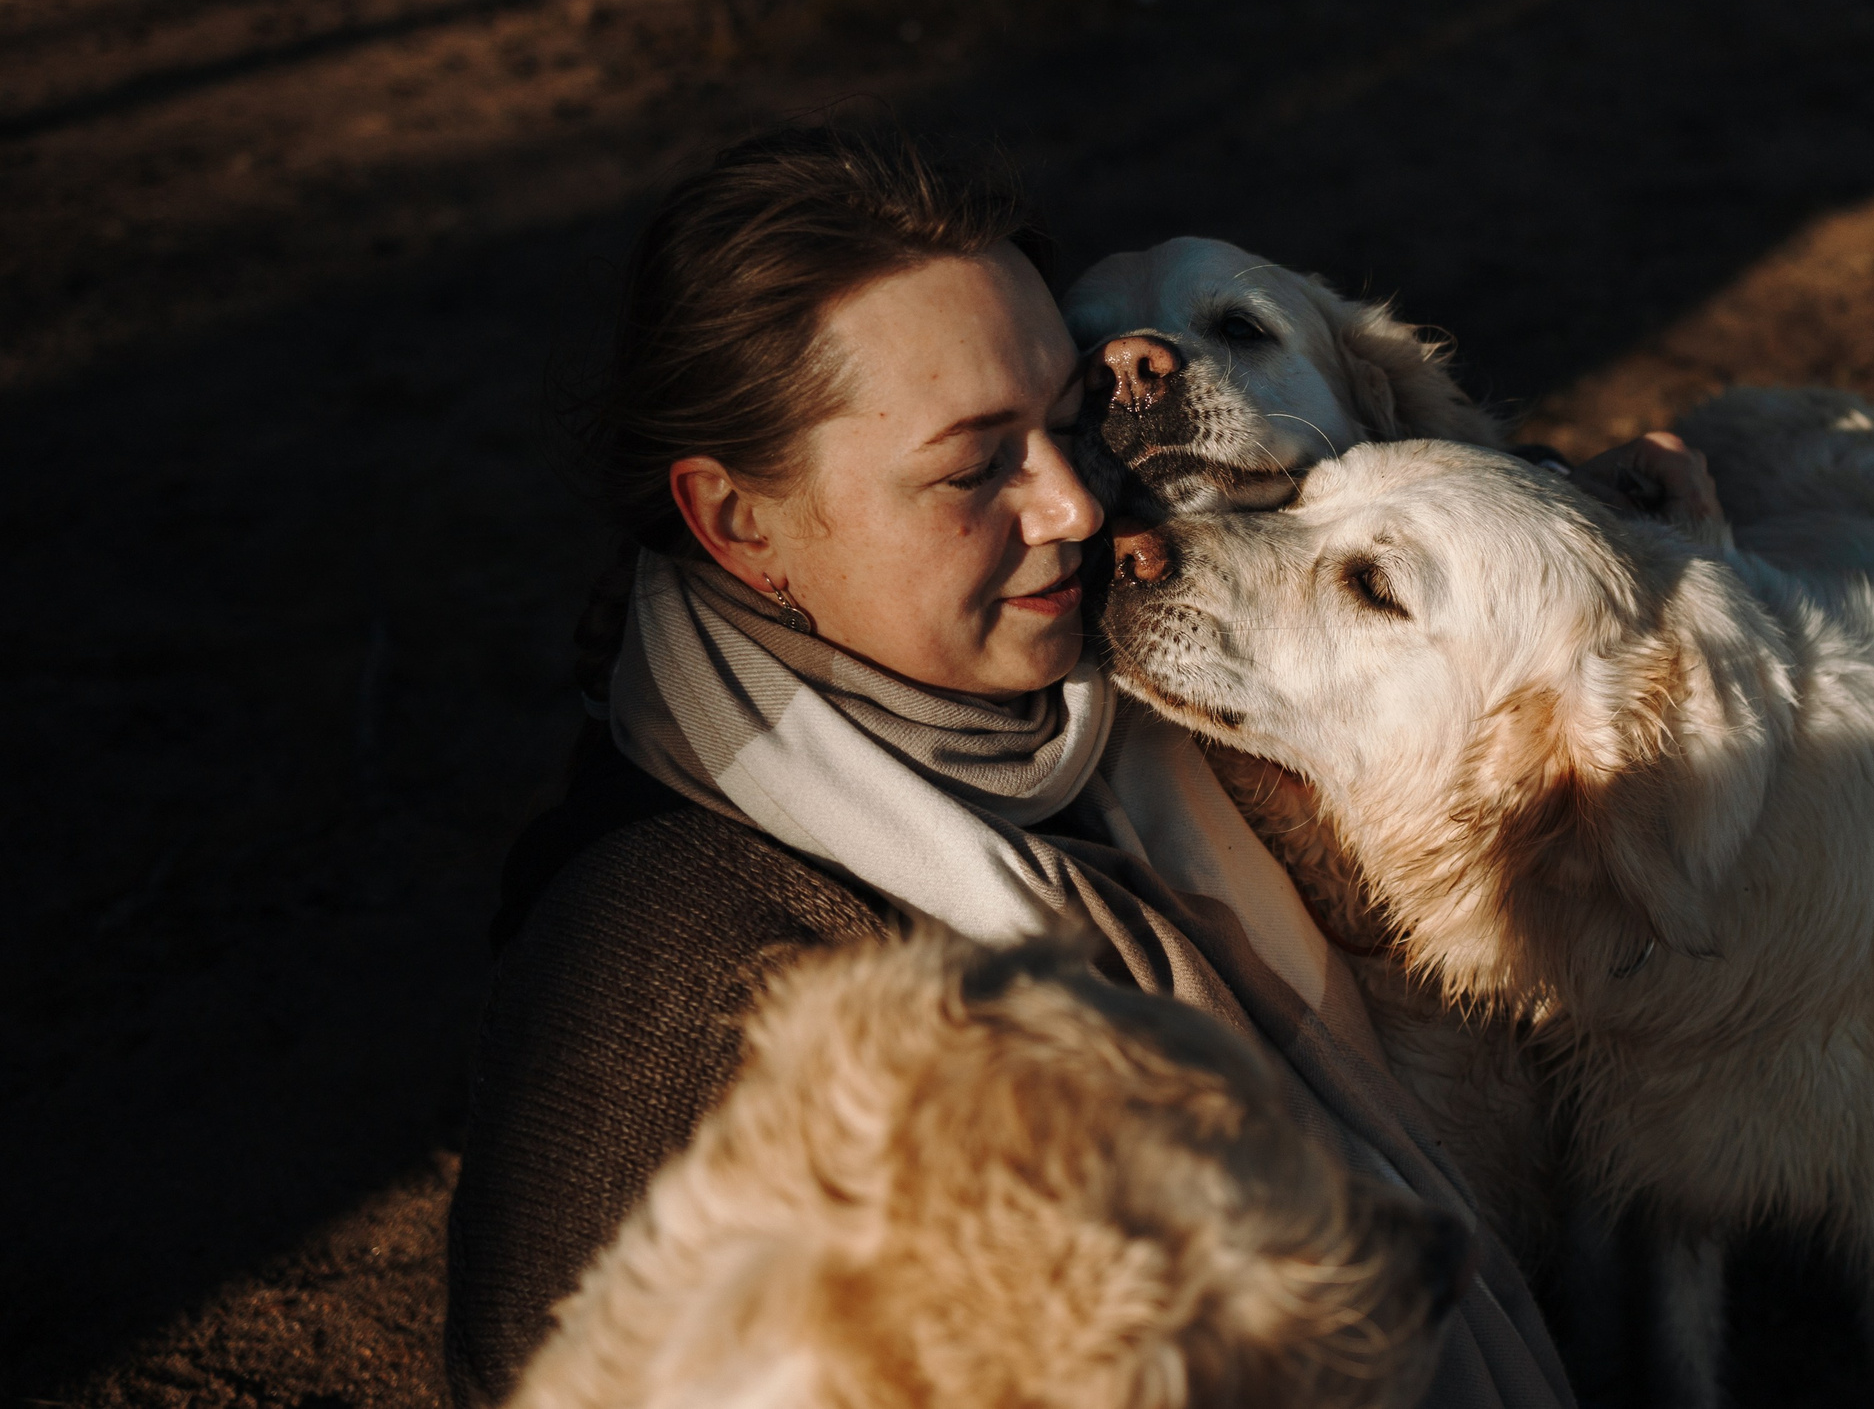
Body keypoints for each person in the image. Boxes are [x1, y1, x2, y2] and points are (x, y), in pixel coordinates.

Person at [443, 125, 1598, 1409]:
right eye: (974, 465)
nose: (1075, 508)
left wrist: (1594, 525)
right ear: (737, 521)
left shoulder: (1075, 688)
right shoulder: (686, 968)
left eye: (1068, 423)